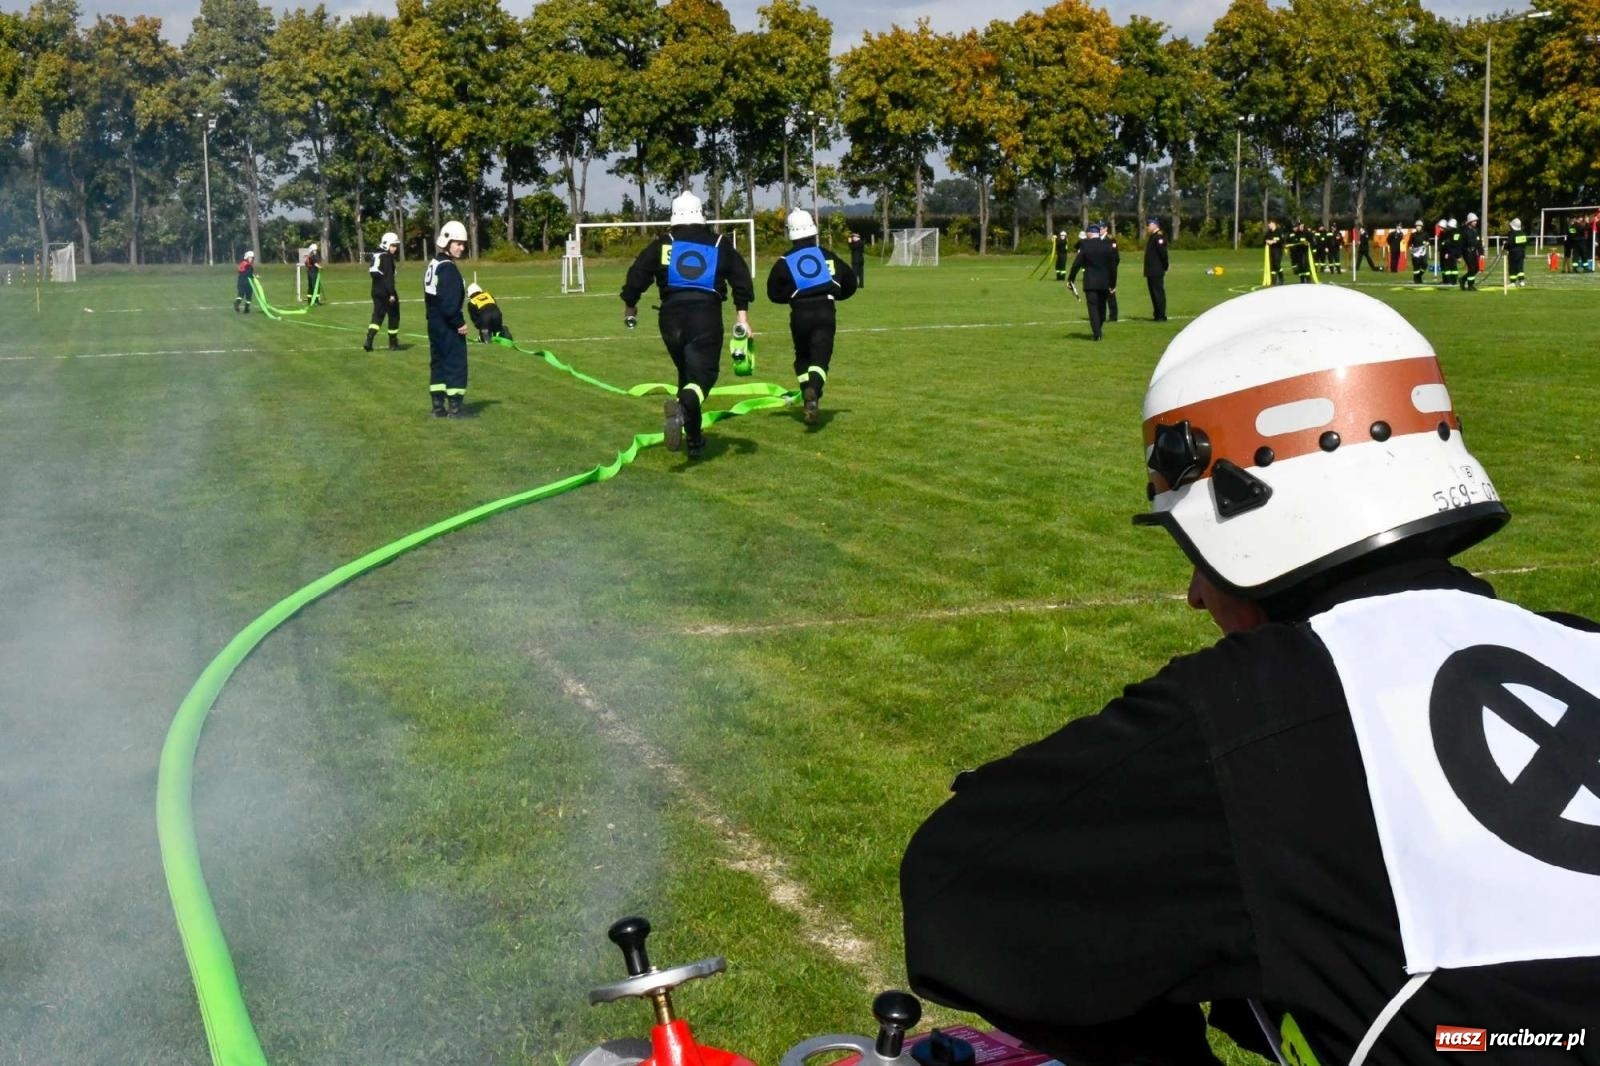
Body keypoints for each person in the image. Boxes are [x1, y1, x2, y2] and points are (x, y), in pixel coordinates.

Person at [901, 283, 1600, 1066]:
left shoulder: (1261, 714)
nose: (1196, 595)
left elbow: (954, 890)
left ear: (1247, 502)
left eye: (1193, 555)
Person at [620, 191, 754, 459]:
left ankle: (694, 440)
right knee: (704, 376)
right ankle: (683, 408)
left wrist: (630, 306)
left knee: (687, 375)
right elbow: (741, 278)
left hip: (669, 318)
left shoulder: (663, 243)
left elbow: (637, 275)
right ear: (700, 213)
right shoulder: (717, 243)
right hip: (704, 314)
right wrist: (742, 318)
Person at [766, 208, 857, 425]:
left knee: (802, 358)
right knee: (820, 360)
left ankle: (807, 394)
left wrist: (791, 297)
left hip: (799, 313)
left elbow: (772, 293)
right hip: (826, 310)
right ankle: (814, 390)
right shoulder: (827, 255)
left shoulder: (784, 260)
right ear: (813, 230)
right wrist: (836, 295)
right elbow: (850, 281)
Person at [424, 220, 471, 419]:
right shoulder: (448, 268)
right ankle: (455, 408)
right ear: (447, 242)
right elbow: (449, 302)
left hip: (434, 323)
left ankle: (438, 407)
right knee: (455, 364)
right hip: (447, 325)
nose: (461, 248)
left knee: (438, 364)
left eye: (463, 244)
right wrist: (459, 323)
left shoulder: (434, 264)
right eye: (458, 243)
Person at [1066, 222, 1118, 341]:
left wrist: (1071, 279)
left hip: (1091, 282)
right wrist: (1113, 284)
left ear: (1089, 233)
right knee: (1101, 307)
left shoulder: (1085, 244)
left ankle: (1097, 333)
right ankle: (1098, 328)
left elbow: (1077, 263)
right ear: (1098, 232)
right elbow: (1113, 266)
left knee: (1093, 307)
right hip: (1104, 282)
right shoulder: (1108, 244)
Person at [364, 231, 401, 351]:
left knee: (378, 316)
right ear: (387, 244)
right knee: (394, 315)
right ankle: (393, 342)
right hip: (386, 290)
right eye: (393, 245)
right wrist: (391, 293)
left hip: (375, 289)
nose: (395, 248)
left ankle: (369, 339)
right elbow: (388, 277)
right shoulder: (387, 257)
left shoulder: (376, 254)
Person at [1142, 218, 1168, 321]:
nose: (1147, 227)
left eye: (1149, 225)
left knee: (1158, 293)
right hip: (1151, 271)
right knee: (1153, 293)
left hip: (1156, 270)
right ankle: (1157, 314)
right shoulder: (1153, 237)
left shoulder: (1158, 237)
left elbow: (1163, 254)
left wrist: (1165, 266)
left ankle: (1161, 315)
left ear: (1155, 225)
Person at [1459, 212, 1481, 291]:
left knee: (1476, 269)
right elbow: (1461, 244)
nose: (1475, 222)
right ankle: (1470, 285)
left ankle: (1462, 279)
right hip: (1467, 252)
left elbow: (1479, 242)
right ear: (1470, 222)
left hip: (1474, 251)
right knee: (1472, 268)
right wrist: (1459, 256)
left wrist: (1481, 253)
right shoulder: (1464, 231)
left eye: (1476, 221)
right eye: (1474, 221)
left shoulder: (1476, 231)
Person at [1508, 217, 1528, 287]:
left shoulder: (1512, 234)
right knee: (1520, 267)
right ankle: (1521, 281)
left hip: (1513, 253)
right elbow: (1525, 243)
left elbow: (1510, 244)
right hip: (1521, 253)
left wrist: (1505, 246)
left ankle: (1513, 282)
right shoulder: (1522, 233)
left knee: (1512, 268)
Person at [1263, 221, 1284, 286]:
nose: (1269, 225)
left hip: (1278, 250)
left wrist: (1274, 241)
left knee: (1277, 264)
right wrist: (1266, 241)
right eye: (1269, 224)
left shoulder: (1279, 231)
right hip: (1270, 250)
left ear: (1274, 224)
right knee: (1272, 266)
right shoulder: (1268, 233)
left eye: (1270, 224)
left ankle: (1281, 278)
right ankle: (1273, 281)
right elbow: (1264, 240)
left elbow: (1282, 240)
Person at [1409, 219, 1430, 284]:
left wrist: (1427, 243)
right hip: (1415, 253)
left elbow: (1428, 241)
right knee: (1416, 266)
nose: (1418, 227)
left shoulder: (1425, 234)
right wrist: (1410, 247)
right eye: (1417, 226)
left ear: (1421, 226)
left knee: (1425, 264)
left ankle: (1419, 276)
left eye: (1419, 226)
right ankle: (1417, 279)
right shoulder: (1413, 234)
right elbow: (1410, 242)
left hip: (1423, 252)